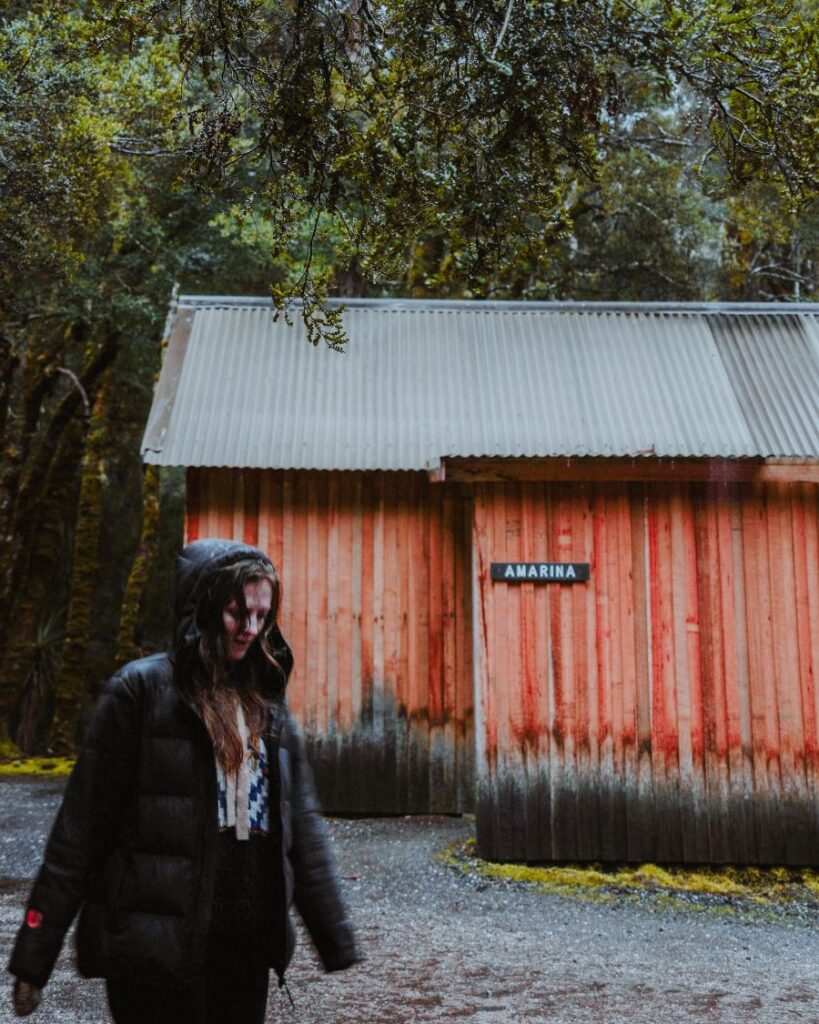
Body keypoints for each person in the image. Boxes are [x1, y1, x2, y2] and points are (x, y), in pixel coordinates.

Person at [7, 539, 359, 1022]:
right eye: (238, 613)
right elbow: (80, 831)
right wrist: (34, 959)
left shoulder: (268, 703)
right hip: (154, 955)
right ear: (204, 607)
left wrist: (335, 938)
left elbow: (302, 828)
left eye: (262, 615)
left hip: (244, 953)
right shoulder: (141, 692)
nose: (251, 629)